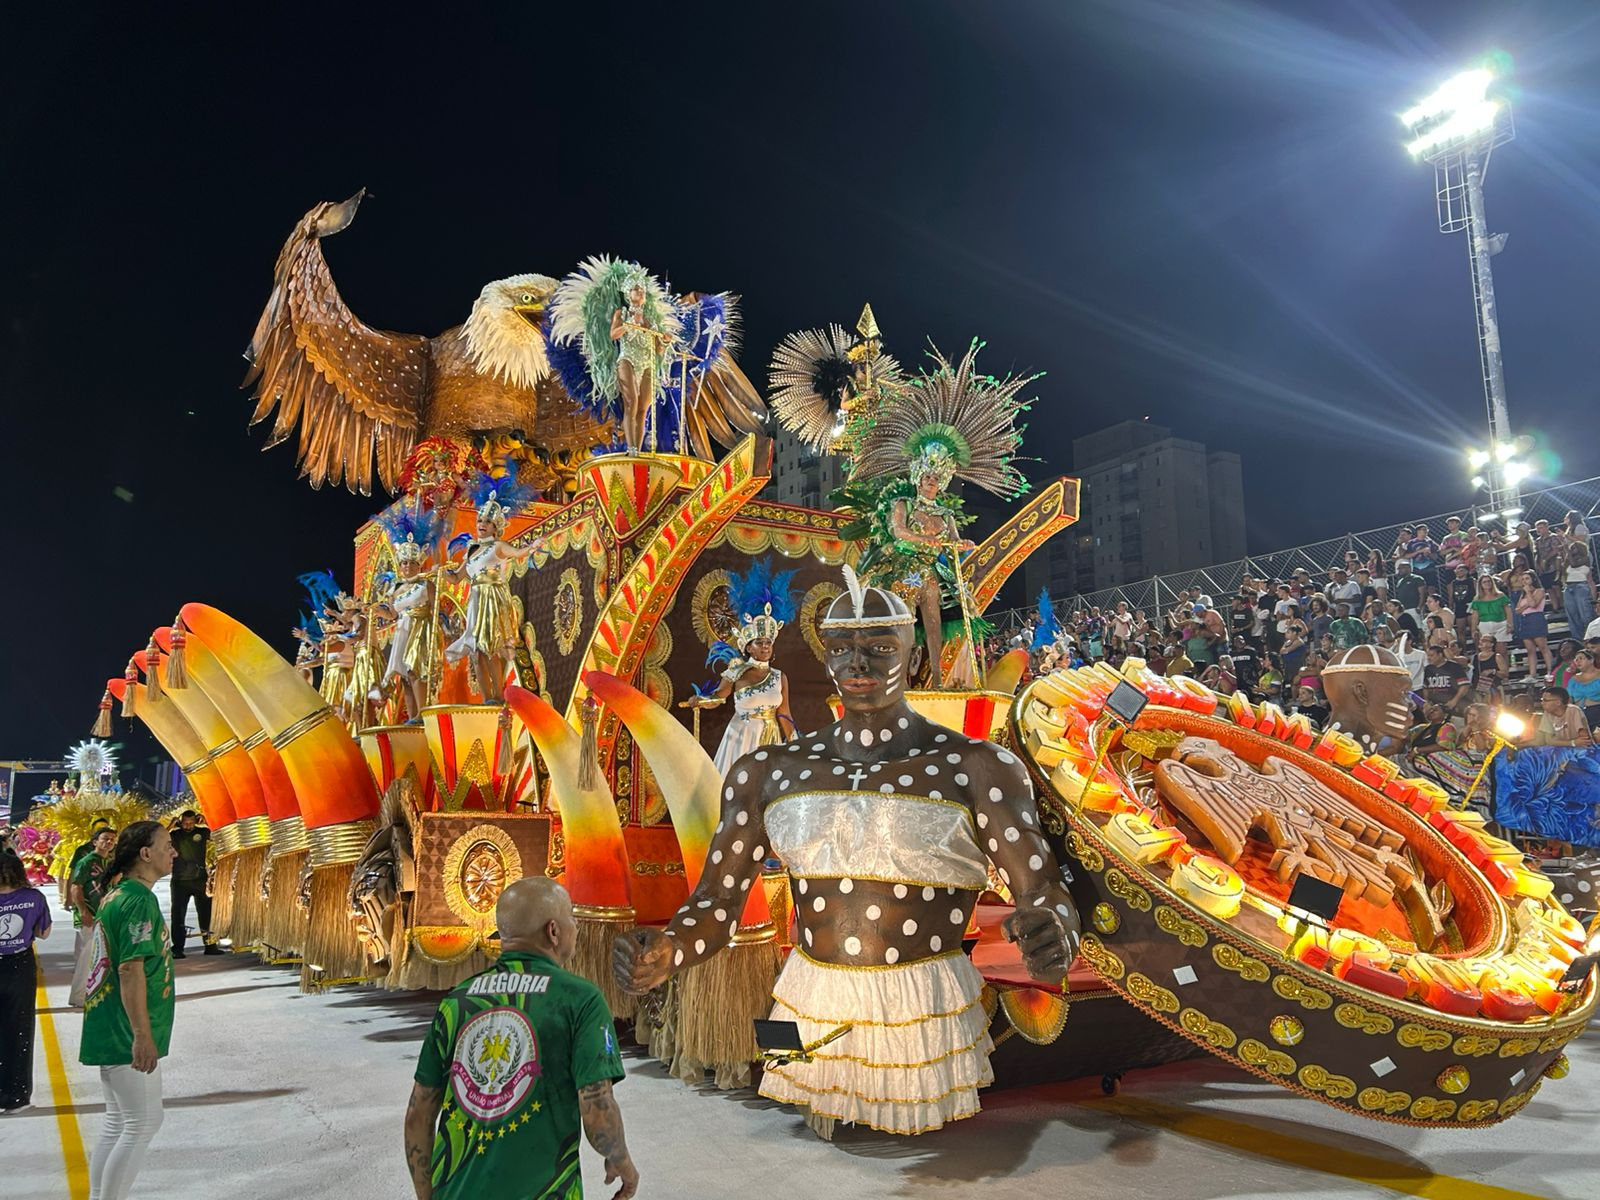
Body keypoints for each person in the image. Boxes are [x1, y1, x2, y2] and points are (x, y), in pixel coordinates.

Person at [613, 574, 1079, 1137]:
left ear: (910, 655)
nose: (859, 665)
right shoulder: (767, 771)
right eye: (841, 650)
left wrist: (1056, 931)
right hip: (809, 1009)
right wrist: (670, 948)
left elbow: (1042, 888)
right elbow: (717, 899)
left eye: (880, 649)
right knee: (821, 1157)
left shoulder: (977, 766)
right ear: (823, 656)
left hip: (924, 1020)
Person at [406, 878, 635, 1200]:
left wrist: (426, 1194)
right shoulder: (579, 999)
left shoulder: (457, 1000)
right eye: (571, 917)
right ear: (553, 931)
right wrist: (621, 1160)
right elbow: (597, 1108)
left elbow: (420, 1111)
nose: (576, 927)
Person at [80, 821, 178, 1200]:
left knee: (119, 1122)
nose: (174, 852)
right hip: (126, 1028)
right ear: (145, 854)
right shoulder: (138, 899)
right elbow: (129, 968)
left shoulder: (118, 894)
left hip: (111, 1022)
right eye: (167, 845)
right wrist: (142, 1034)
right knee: (143, 1122)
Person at [0, 851, 51, 1112]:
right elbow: (43, 932)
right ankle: (16, 1096)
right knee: (19, 1027)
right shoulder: (34, 898)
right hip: (20, 965)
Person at [167, 811, 219, 959]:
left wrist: (207, 821)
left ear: (195, 821)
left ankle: (210, 945)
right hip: (180, 881)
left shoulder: (202, 832)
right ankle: (177, 948)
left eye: (191, 823)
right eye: (185, 823)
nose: (188, 826)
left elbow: (218, 836)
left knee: (206, 913)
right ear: (180, 822)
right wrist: (171, 825)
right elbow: (159, 839)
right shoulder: (175, 834)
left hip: (200, 879)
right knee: (178, 915)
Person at [1468, 575, 1513, 677]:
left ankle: (1504, 673)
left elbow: (1508, 610)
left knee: (1502, 651)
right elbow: (1475, 615)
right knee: (1488, 650)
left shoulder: (1500, 595)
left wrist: (1510, 624)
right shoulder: (1477, 599)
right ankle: (1491, 673)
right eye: (1484, 582)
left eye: (1489, 581)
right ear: (1480, 585)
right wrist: (1473, 629)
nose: (1487, 583)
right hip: (1485, 625)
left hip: (1501, 624)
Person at [1561, 542, 1597, 644]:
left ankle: (1591, 639)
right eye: (1571, 547)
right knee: (1572, 616)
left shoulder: (1585, 559)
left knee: (1585, 614)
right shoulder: (1569, 559)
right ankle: (1578, 641)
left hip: (1581, 587)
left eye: (1575, 547)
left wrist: (1593, 597)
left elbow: (1590, 580)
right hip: (1569, 588)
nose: (1572, 549)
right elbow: (1565, 570)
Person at [1422, 645, 1469, 716]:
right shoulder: (1428, 669)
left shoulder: (1454, 667)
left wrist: (1454, 701)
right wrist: (1427, 702)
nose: (1429, 658)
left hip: (1453, 706)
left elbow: (1464, 685)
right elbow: (1426, 687)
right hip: (1435, 708)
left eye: (1431, 655)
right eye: (1428, 656)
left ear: (1440, 655)